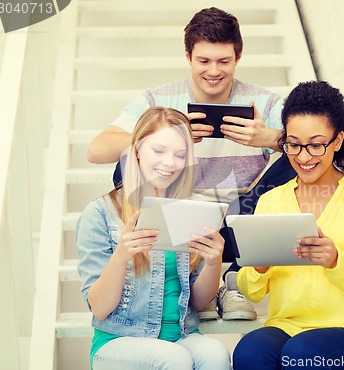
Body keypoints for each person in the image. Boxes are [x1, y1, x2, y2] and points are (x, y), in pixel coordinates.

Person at [87, 7, 296, 321]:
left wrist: (270, 139)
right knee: (130, 154)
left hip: (240, 216)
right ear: (188, 56)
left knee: (298, 157)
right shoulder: (160, 100)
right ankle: (178, 278)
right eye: (204, 61)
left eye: (224, 61)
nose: (214, 71)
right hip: (176, 215)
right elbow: (97, 150)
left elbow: (318, 146)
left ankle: (234, 279)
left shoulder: (264, 102)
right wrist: (169, 135)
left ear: (238, 57)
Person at [233, 81, 344, 370]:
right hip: (288, 327)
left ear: (338, 140)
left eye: (316, 145)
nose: (303, 157)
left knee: (302, 353)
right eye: (293, 144)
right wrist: (259, 268)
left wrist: (335, 261)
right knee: (249, 351)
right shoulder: (270, 201)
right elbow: (251, 292)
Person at [76, 107, 232, 370]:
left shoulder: (189, 210)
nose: (170, 163)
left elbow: (198, 301)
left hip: (181, 336)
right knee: (174, 359)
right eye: (158, 151)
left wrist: (214, 262)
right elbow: (99, 309)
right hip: (119, 341)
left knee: (215, 353)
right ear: (137, 149)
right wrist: (121, 257)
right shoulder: (100, 214)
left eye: (180, 155)